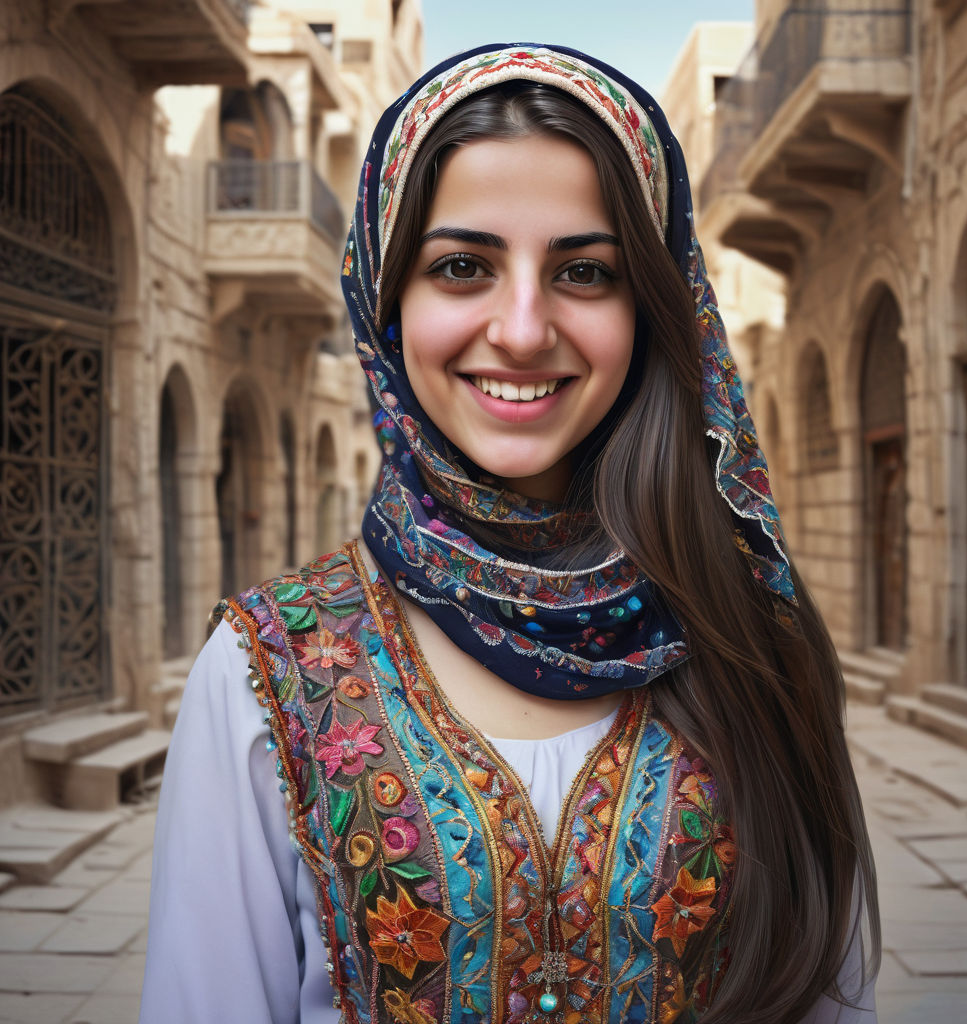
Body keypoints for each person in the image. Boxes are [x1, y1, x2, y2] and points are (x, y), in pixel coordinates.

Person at [140, 44, 880, 1024]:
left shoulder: (752, 640)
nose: (523, 329)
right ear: (386, 300)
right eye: (461, 267)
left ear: (652, 310)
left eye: (583, 271)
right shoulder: (262, 672)